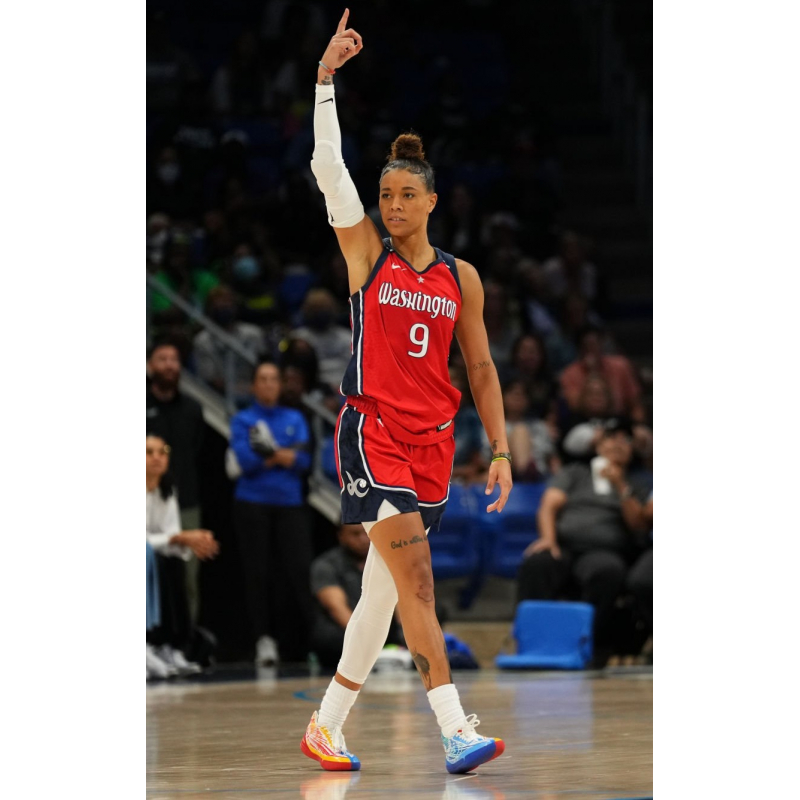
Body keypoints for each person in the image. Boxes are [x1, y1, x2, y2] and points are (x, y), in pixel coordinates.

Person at [300, 10, 512, 775]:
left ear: (429, 202)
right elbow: (329, 169)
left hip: (434, 444)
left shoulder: (461, 278)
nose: (390, 205)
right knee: (417, 581)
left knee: (382, 597)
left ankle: (325, 725)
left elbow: (481, 370)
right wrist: (325, 81)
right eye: (384, 193)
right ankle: (454, 729)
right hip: (373, 432)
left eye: (402, 195)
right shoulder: (367, 255)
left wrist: (499, 449)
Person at [516, 418, 651, 662]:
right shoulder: (575, 473)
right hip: (564, 546)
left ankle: (585, 645)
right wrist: (548, 539)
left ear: (632, 450)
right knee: (538, 562)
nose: (618, 444)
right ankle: (531, 643)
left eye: (625, 440)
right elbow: (548, 505)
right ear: (598, 446)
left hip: (605, 551)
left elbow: (639, 526)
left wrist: (620, 485)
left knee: (607, 571)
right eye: (611, 438)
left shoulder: (637, 483)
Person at [229, 359, 315, 666]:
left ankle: (308, 639)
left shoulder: (295, 417)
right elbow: (246, 462)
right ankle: (263, 639)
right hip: (252, 503)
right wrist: (283, 454)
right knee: (257, 572)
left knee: (298, 570)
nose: (268, 384)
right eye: (262, 379)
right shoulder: (243, 419)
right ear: (253, 385)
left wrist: (268, 452)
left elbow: (304, 462)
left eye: (273, 379)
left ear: (280, 385)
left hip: (290, 503)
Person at [146, 434, 219, 678]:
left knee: (175, 562)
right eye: (149, 452)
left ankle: (170, 645)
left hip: (152, 554)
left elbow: (172, 534)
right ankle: (148, 642)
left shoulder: (167, 489)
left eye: (162, 452)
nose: (157, 457)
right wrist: (180, 539)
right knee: (155, 559)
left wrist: (193, 543)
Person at [146, 338, 207, 621]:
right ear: (149, 366)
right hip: (146, 500)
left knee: (187, 576)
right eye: (162, 359)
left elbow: (197, 449)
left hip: (186, 501)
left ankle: (187, 637)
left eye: (174, 359)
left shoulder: (192, 409)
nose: (169, 365)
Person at [309, 523, 404, 670]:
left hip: (384, 627)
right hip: (348, 630)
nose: (363, 539)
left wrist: (405, 633)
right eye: (355, 534)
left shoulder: (387, 559)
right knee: (328, 638)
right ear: (341, 536)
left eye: (366, 533)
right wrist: (367, 640)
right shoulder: (326, 565)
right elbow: (336, 608)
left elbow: (401, 599)